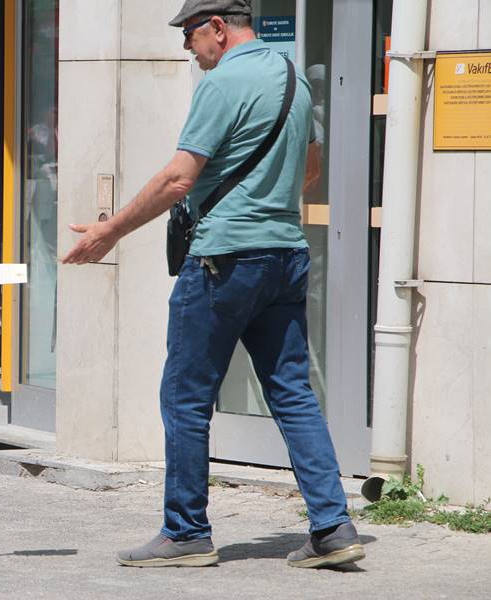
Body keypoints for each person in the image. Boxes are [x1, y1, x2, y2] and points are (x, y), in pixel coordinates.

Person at [62, 0, 365, 570]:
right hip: (286, 253)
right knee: (292, 393)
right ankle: (332, 527)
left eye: (189, 36)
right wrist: (265, 203)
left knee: (185, 394)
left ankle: (185, 532)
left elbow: (179, 178)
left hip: (224, 261)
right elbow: (312, 170)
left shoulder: (222, 83)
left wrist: (111, 230)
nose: (186, 48)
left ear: (219, 29)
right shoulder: (295, 79)